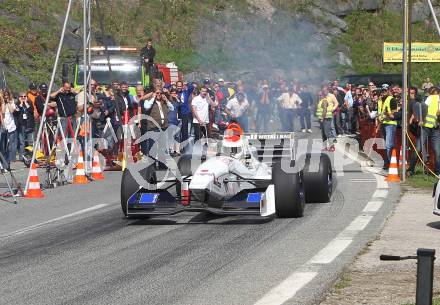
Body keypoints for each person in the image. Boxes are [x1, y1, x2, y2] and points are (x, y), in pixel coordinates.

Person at [142, 88, 174, 157]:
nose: (158, 94)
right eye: (157, 93)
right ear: (153, 93)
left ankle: (162, 164)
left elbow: (172, 108)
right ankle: (152, 164)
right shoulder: (149, 101)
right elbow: (147, 107)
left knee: (162, 147)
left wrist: (166, 100)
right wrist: (153, 97)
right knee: (153, 147)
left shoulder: (164, 102)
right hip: (153, 127)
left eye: (160, 93)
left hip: (163, 127)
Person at [1, 89, 19, 169]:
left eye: (7, 95)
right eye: (5, 95)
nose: (6, 97)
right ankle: (4, 163)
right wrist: (4, 103)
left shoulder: (12, 103)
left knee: (10, 146)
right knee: (3, 146)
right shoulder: (2, 103)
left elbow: (12, 111)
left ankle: (8, 163)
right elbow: (3, 112)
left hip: (11, 127)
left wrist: (8, 103)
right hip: (4, 127)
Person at [16, 92, 34, 161]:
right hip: (21, 125)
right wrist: (21, 103)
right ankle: (21, 157)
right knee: (22, 142)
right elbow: (17, 112)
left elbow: (31, 110)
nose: (23, 97)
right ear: (19, 97)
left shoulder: (29, 103)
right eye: (21, 96)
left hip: (29, 124)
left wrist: (26, 103)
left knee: (30, 141)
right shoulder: (17, 104)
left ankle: (31, 156)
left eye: (24, 96)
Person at [316, 85, 335, 151]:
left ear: (323, 95)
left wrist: (322, 118)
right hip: (323, 118)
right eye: (318, 95)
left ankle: (332, 146)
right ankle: (325, 146)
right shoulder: (320, 101)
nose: (319, 96)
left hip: (326, 118)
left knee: (327, 132)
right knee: (323, 133)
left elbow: (324, 110)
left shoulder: (324, 101)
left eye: (320, 95)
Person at [176, 80, 194, 146]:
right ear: (176, 86)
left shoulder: (186, 92)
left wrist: (187, 83)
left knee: (185, 131)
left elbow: (192, 87)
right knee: (177, 132)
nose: (179, 87)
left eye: (180, 86)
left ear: (182, 86)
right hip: (177, 114)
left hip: (185, 113)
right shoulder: (174, 93)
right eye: (178, 86)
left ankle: (184, 146)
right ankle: (177, 147)